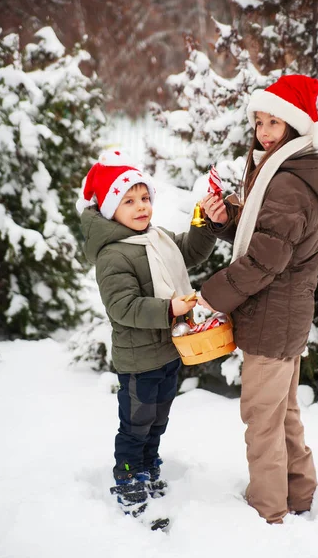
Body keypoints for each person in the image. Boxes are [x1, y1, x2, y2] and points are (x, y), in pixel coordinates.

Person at [198, 74, 318, 524]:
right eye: (258, 121)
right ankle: (299, 494)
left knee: (262, 419)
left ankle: (268, 511)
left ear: (295, 127)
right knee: (283, 415)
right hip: (284, 318)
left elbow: (263, 262)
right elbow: (272, 240)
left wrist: (209, 298)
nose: (263, 131)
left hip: (271, 319)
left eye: (273, 122)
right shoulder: (288, 170)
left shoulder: (286, 184)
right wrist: (228, 223)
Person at [77, 149, 216, 516]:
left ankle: (149, 466)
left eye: (144, 199)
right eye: (129, 201)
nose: (142, 208)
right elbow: (122, 307)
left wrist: (206, 225)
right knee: (135, 423)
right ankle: (127, 475)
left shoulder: (156, 238)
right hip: (138, 360)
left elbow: (190, 251)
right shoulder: (113, 255)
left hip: (169, 351)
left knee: (158, 419)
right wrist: (170, 309)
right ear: (110, 209)